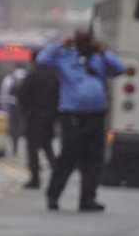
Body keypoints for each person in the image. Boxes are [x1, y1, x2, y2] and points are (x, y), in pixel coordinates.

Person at [37, 29, 123, 212]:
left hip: (96, 115)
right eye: (82, 41)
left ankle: (88, 199)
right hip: (73, 116)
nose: (85, 45)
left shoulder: (99, 58)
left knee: (93, 159)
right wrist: (61, 44)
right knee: (67, 158)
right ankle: (53, 196)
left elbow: (119, 69)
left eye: (88, 41)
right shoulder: (65, 56)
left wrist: (103, 51)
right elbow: (42, 59)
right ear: (75, 42)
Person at [15, 48, 60, 190]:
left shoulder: (33, 74)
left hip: (34, 118)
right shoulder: (54, 75)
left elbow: (21, 94)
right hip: (49, 118)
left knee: (32, 150)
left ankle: (35, 179)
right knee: (48, 148)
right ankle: (58, 176)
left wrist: (26, 112)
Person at [0, 60, 29, 156]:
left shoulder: (9, 78)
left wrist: (4, 108)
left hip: (13, 108)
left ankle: (15, 148)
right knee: (26, 128)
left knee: (14, 128)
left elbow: (4, 94)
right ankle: (27, 150)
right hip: (26, 108)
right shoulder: (28, 77)